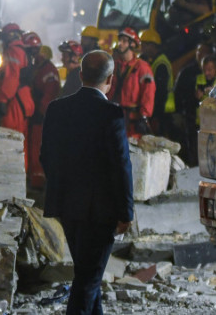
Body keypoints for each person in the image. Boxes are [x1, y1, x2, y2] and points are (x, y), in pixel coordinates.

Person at [41, 50, 134, 315]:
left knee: (86, 274)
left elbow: (45, 156)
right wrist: (126, 212)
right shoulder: (111, 114)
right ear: (111, 80)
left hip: (68, 206)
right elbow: (121, 166)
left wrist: (63, 187)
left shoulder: (57, 109)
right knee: (89, 281)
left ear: (81, 75)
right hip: (101, 211)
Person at [23, 31, 61, 188]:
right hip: (33, 113)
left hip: (41, 116)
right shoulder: (33, 67)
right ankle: (32, 179)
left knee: (38, 148)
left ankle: (39, 180)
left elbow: (51, 91)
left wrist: (41, 111)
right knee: (30, 146)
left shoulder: (47, 70)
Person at [109, 27, 155, 139]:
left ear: (133, 44)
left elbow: (148, 93)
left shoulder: (142, 67)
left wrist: (144, 116)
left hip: (133, 122)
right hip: (115, 118)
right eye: (120, 40)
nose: (120, 44)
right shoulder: (115, 66)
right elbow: (109, 90)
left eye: (124, 41)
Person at [173, 42, 214, 166]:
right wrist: (179, 113)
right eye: (198, 52)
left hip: (210, 122)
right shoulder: (187, 72)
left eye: (203, 52)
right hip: (191, 116)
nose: (200, 55)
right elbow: (178, 93)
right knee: (192, 149)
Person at [0, 23, 34, 137]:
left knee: (12, 141)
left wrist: (3, 99)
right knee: (20, 143)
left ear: (10, 36)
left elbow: (12, 76)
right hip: (21, 98)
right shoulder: (20, 50)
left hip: (15, 101)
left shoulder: (13, 50)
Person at [139, 29, 175, 138]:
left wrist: (155, 115)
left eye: (144, 45)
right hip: (160, 110)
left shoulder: (161, 63)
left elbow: (160, 91)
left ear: (152, 46)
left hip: (162, 111)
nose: (142, 48)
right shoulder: (156, 61)